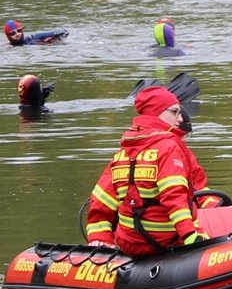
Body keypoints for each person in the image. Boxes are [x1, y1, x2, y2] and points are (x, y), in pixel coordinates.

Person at [82, 86, 211, 257]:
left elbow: (102, 198)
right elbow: (174, 196)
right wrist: (190, 236)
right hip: (168, 242)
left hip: (128, 244)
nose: (180, 119)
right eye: (175, 112)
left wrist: (100, 237)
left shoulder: (123, 152)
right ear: (156, 113)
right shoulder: (169, 148)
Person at [5, 20, 69, 46]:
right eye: (13, 33)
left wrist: (51, 40)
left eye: (19, 31)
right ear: (8, 36)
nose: (17, 34)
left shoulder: (35, 38)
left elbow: (64, 31)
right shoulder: (7, 47)